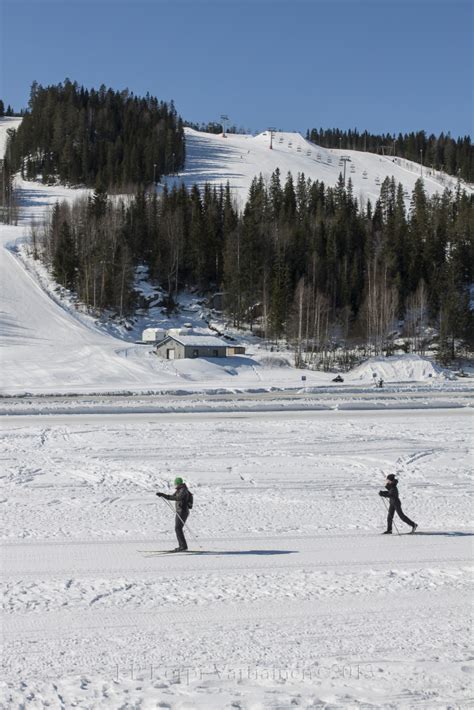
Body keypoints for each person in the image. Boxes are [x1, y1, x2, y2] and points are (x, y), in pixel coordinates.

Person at [156, 477, 192, 551]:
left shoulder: (183, 490)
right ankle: (183, 546)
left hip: (183, 511)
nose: (175, 485)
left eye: (176, 484)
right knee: (178, 528)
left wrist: (164, 495)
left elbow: (177, 498)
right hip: (180, 511)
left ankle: (183, 547)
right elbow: (172, 497)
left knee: (178, 528)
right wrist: (162, 495)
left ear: (178, 483)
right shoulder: (180, 490)